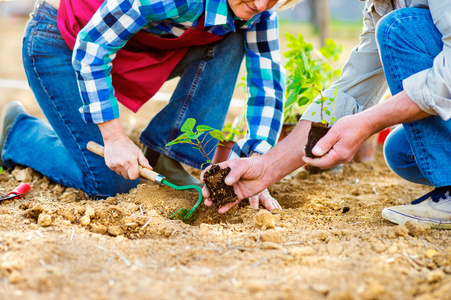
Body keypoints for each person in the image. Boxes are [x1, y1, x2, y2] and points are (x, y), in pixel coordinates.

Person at [0, 0, 300, 201]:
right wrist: (115, 137)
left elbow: (268, 86)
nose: (261, 4)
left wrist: (257, 162)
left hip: (126, 46)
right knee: (111, 184)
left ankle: (166, 153)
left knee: (233, 30)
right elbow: (92, 48)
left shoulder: (256, 12)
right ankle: (20, 133)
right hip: (63, 41)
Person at [202, 0, 451, 228]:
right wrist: (266, 167)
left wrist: (369, 122)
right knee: (401, 152)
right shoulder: (381, 4)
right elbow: (352, 92)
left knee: (399, 28)